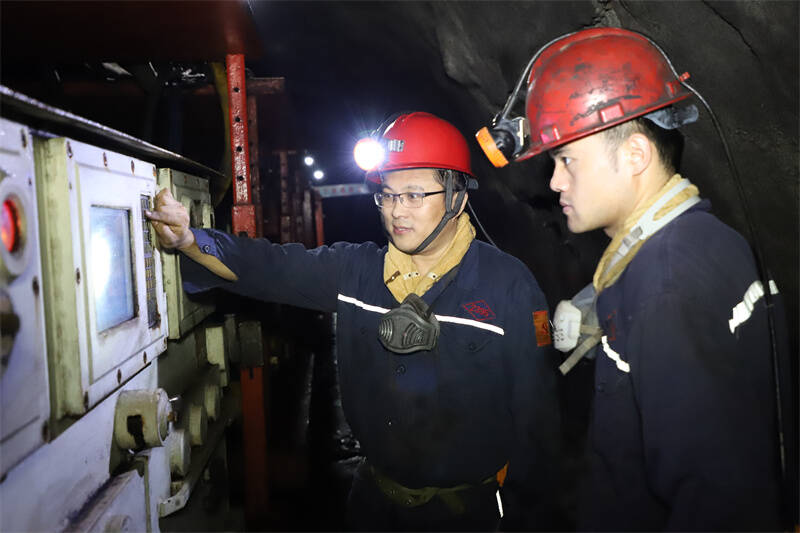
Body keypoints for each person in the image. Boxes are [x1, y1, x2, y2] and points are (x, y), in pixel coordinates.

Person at [147, 111, 563, 531]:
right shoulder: (357, 273)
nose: (397, 211)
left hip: (468, 517)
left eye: (414, 195)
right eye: (388, 194)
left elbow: (538, 425)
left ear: (457, 197)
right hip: (373, 506)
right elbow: (271, 267)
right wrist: (190, 241)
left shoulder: (508, 286)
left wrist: (527, 518)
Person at [476, 28, 785, 531]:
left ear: (635, 155)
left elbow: (715, 503)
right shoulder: (701, 242)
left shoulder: (667, 284)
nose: (555, 181)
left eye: (566, 160)